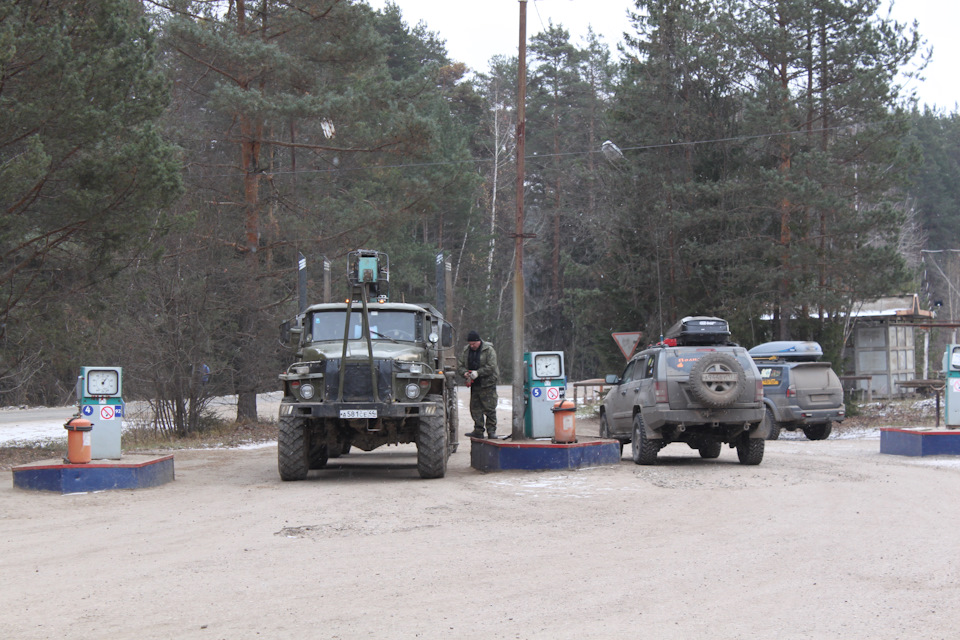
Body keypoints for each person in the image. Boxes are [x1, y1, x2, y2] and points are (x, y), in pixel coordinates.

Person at [457, 330, 500, 439]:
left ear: (478, 341)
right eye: (470, 344)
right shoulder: (466, 350)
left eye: (474, 344)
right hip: (475, 384)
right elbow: (460, 365)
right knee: (475, 408)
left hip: (488, 384)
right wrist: (465, 373)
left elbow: (492, 366)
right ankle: (478, 430)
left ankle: (491, 431)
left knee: (489, 408)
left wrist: (478, 373)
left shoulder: (488, 350)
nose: (472, 346)